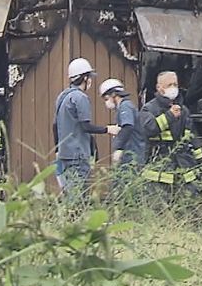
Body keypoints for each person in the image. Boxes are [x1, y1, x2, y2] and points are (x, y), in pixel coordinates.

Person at [54, 57, 120, 202]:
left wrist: (57, 150)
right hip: (78, 155)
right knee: (78, 195)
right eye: (89, 77)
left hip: (64, 154)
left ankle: (69, 219)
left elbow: (55, 125)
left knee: (69, 192)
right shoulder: (80, 98)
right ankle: (75, 221)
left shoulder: (62, 96)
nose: (90, 81)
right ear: (84, 78)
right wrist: (108, 129)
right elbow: (86, 126)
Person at [138, 71, 202, 194]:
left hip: (184, 168)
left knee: (188, 208)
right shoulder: (149, 109)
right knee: (159, 210)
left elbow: (192, 137)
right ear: (159, 88)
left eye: (175, 84)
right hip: (159, 171)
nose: (173, 88)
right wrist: (169, 116)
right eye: (169, 85)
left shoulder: (184, 110)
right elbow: (148, 129)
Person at [100, 78, 145, 200]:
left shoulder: (125, 106)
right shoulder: (123, 108)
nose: (106, 103)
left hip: (131, 156)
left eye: (106, 99)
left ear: (114, 94)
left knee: (126, 191)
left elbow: (128, 127)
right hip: (130, 156)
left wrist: (119, 148)